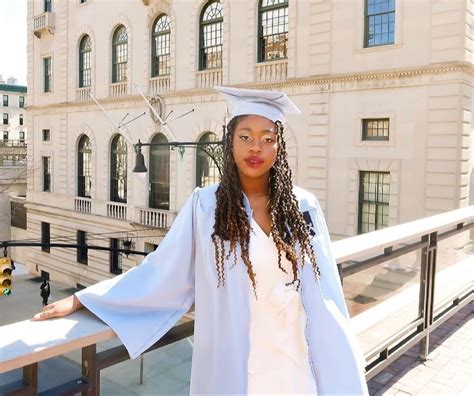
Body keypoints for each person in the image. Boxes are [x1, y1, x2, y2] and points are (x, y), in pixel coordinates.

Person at [33, 86, 369, 395]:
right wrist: (84, 300)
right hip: (239, 363)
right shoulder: (205, 207)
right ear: (230, 141)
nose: (256, 147)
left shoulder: (303, 205)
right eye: (246, 136)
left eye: (268, 138)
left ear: (279, 145)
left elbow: (327, 293)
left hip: (296, 360)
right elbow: (162, 270)